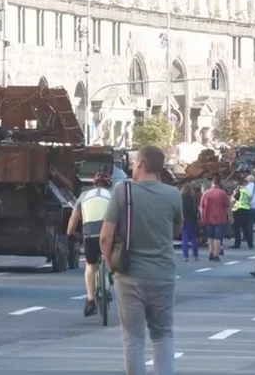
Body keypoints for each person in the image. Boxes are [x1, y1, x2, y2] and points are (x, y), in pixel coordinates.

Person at [100, 145, 183, 375]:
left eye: (135, 161)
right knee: (163, 333)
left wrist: (110, 265)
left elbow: (105, 237)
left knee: (134, 338)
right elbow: (176, 230)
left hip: (129, 275)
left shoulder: (122, 192)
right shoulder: (173, 195)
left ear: (142, 163)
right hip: (163, 275)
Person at [66, 171, 112, 316]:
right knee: (113, 255)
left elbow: (74, 217)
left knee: (90, 264)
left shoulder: (84, 196)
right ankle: (110, 274)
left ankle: (91, 300)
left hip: (89, 232)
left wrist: (70, 234)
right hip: (107, 232)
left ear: (93, 184)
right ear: (108, 185)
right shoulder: (112, 196)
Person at [199, 175, 230, 262]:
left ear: (212, 183)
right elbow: (227, 207)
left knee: (210, 237)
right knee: (217, 238)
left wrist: (202, 217)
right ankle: (216, 254)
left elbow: (201, 207)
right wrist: (230, 217)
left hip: (208, 219)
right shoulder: (222, 193)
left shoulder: (205, 193)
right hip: (220, 218)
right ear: (219, 183)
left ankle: (210, 252)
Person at [230, 182, 252, 249]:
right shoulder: (248, 192)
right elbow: (250, 199)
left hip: (237, 210)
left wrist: (233, 195)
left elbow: (233, 201)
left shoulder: (237, 191)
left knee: (237, 227)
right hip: (247, 210)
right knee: (246, 228)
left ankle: (237, 244)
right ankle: (250, 243)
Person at [180, 184, 200, 261]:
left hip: (183, 220)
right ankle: (195, 255)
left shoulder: (180, 198)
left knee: (184, 238)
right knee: (193, 238)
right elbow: (195, 210)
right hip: (192, 220)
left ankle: (186, 256)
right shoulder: (192, 198)